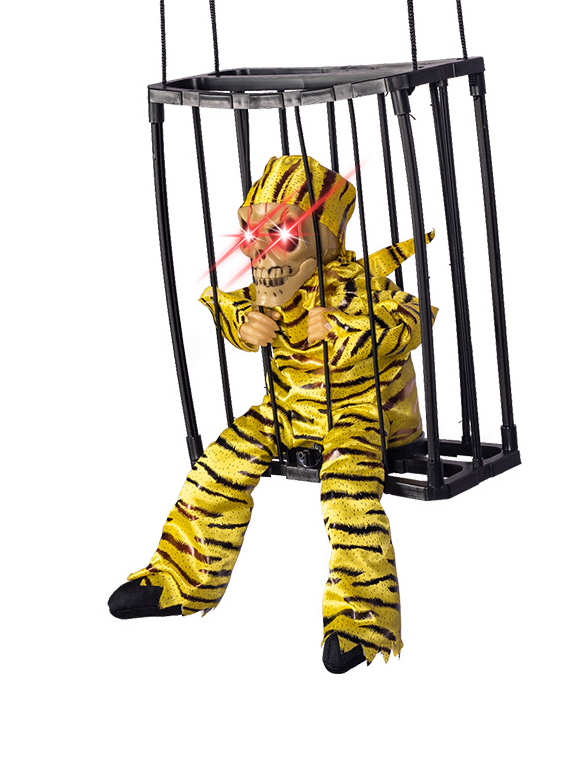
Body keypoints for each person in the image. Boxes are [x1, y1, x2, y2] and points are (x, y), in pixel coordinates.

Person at [109, 155, 434, 673]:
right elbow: (231, 305)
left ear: (329, 239)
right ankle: (180, 580)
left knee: (347, 495)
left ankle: (363, 620)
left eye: (282, 233)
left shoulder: (356, 284)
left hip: (360, 413)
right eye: (251, 232)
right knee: (217, 466)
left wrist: (349, 331)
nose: (260, 250)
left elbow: (411, 318)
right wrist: (245, 323)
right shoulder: (267, 293)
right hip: (286, 412)